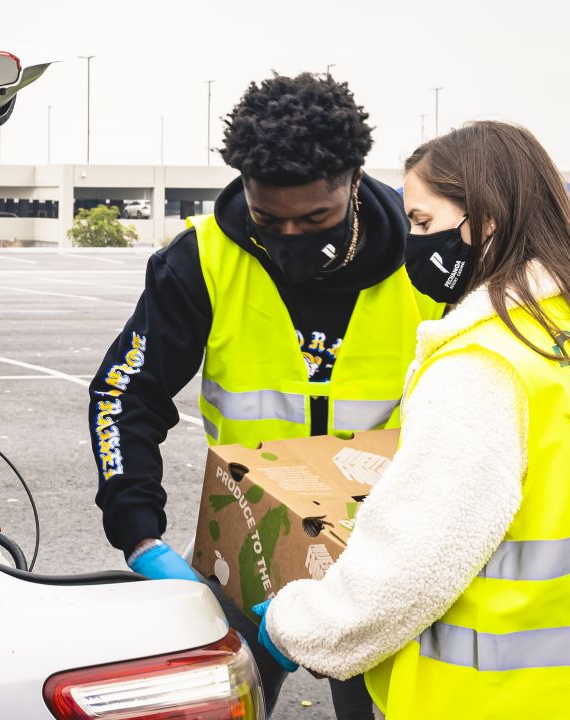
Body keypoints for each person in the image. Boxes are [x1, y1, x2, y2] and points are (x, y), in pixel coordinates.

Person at [255, 121, 570, 719]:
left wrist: (294, 624)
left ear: (483, 220)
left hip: (510, 700)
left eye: (422, 222)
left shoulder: (486, 365)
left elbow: (411, 570)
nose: (413, 240)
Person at [87, 73, 444, 718]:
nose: (291, 239)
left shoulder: (425, 258)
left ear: (355, 182)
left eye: (317, 218)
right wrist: (140, 537)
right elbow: (124, 392)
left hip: (392, 556)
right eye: (268, 218)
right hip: (252, 545)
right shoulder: (203, 259)